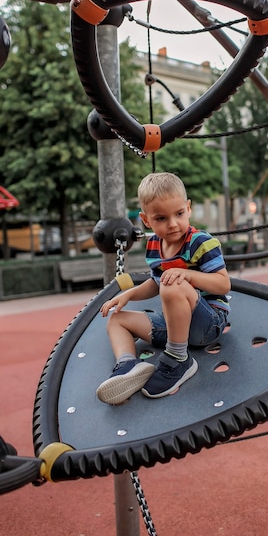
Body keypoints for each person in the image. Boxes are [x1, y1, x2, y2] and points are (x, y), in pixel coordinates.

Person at [96, 172, 231, 405]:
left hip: (208, 324)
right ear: (146, 220)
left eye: (179, 214)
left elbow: (223, 283)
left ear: (188, 208)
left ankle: (179, 359)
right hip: (175, 324)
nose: (172, 224)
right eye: (161, 218)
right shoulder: (154, 245)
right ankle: (128, 365)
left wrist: (186, 275)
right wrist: (128, 294)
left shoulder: (200, 242)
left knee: (173, 283)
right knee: (117, 320)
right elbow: (156, 283)